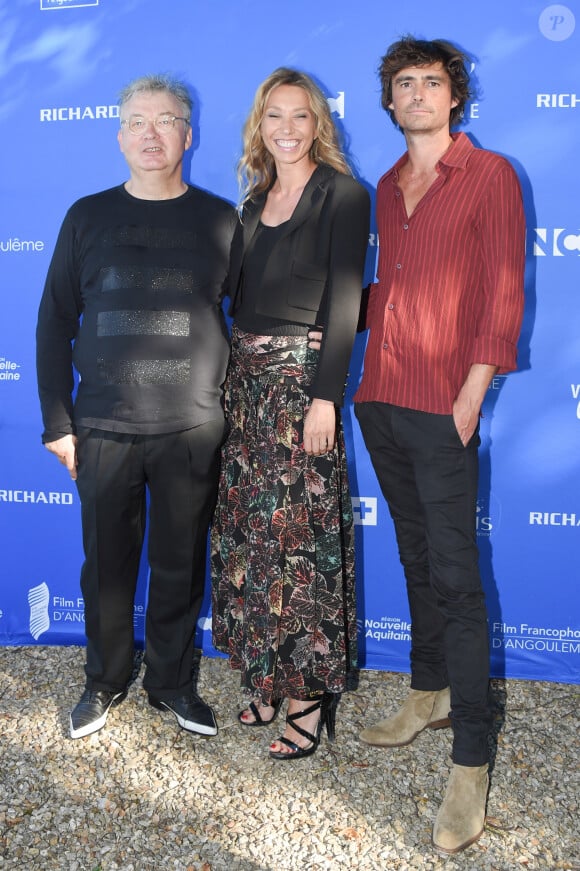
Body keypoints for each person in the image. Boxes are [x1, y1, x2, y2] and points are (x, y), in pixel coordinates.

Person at [352, 37, 525, 854]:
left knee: (457, 575)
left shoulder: (489, 176)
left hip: (443, 403)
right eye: (402, 85)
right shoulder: (386, 186)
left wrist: (473, 390)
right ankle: (427, 690)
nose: (416, 94)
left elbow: (502, 288)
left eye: (430, 82)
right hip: (380, 398)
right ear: (389, 102)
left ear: (454, 96)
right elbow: (385, 287)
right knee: (417, 555)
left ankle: (472, 757)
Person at [36, 74, 236, 740]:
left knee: (180, 564)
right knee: (108, 566)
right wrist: (58, 424)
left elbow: (250, 314)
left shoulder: (219, 219)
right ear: (119, 134)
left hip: (190, 428)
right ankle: (105, 679)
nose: (152, 134)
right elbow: (53, 322)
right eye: (137, 122)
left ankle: (173, 684)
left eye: (167, 120)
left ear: (189, 133)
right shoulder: (85, 216)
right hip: (102, 428)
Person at [210, 68, 370, 760]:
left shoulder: (343, 195)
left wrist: (325, 395)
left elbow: (343, 300)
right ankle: (268, 675)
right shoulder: (250, 203)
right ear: (259, 125)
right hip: (244, 388)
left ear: (318, 124)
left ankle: (308, 697)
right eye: (273, 116)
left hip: (301, 386)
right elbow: (227, 296)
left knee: (300, 541)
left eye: (299, 116)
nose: (286, 129)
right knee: (252, 536)